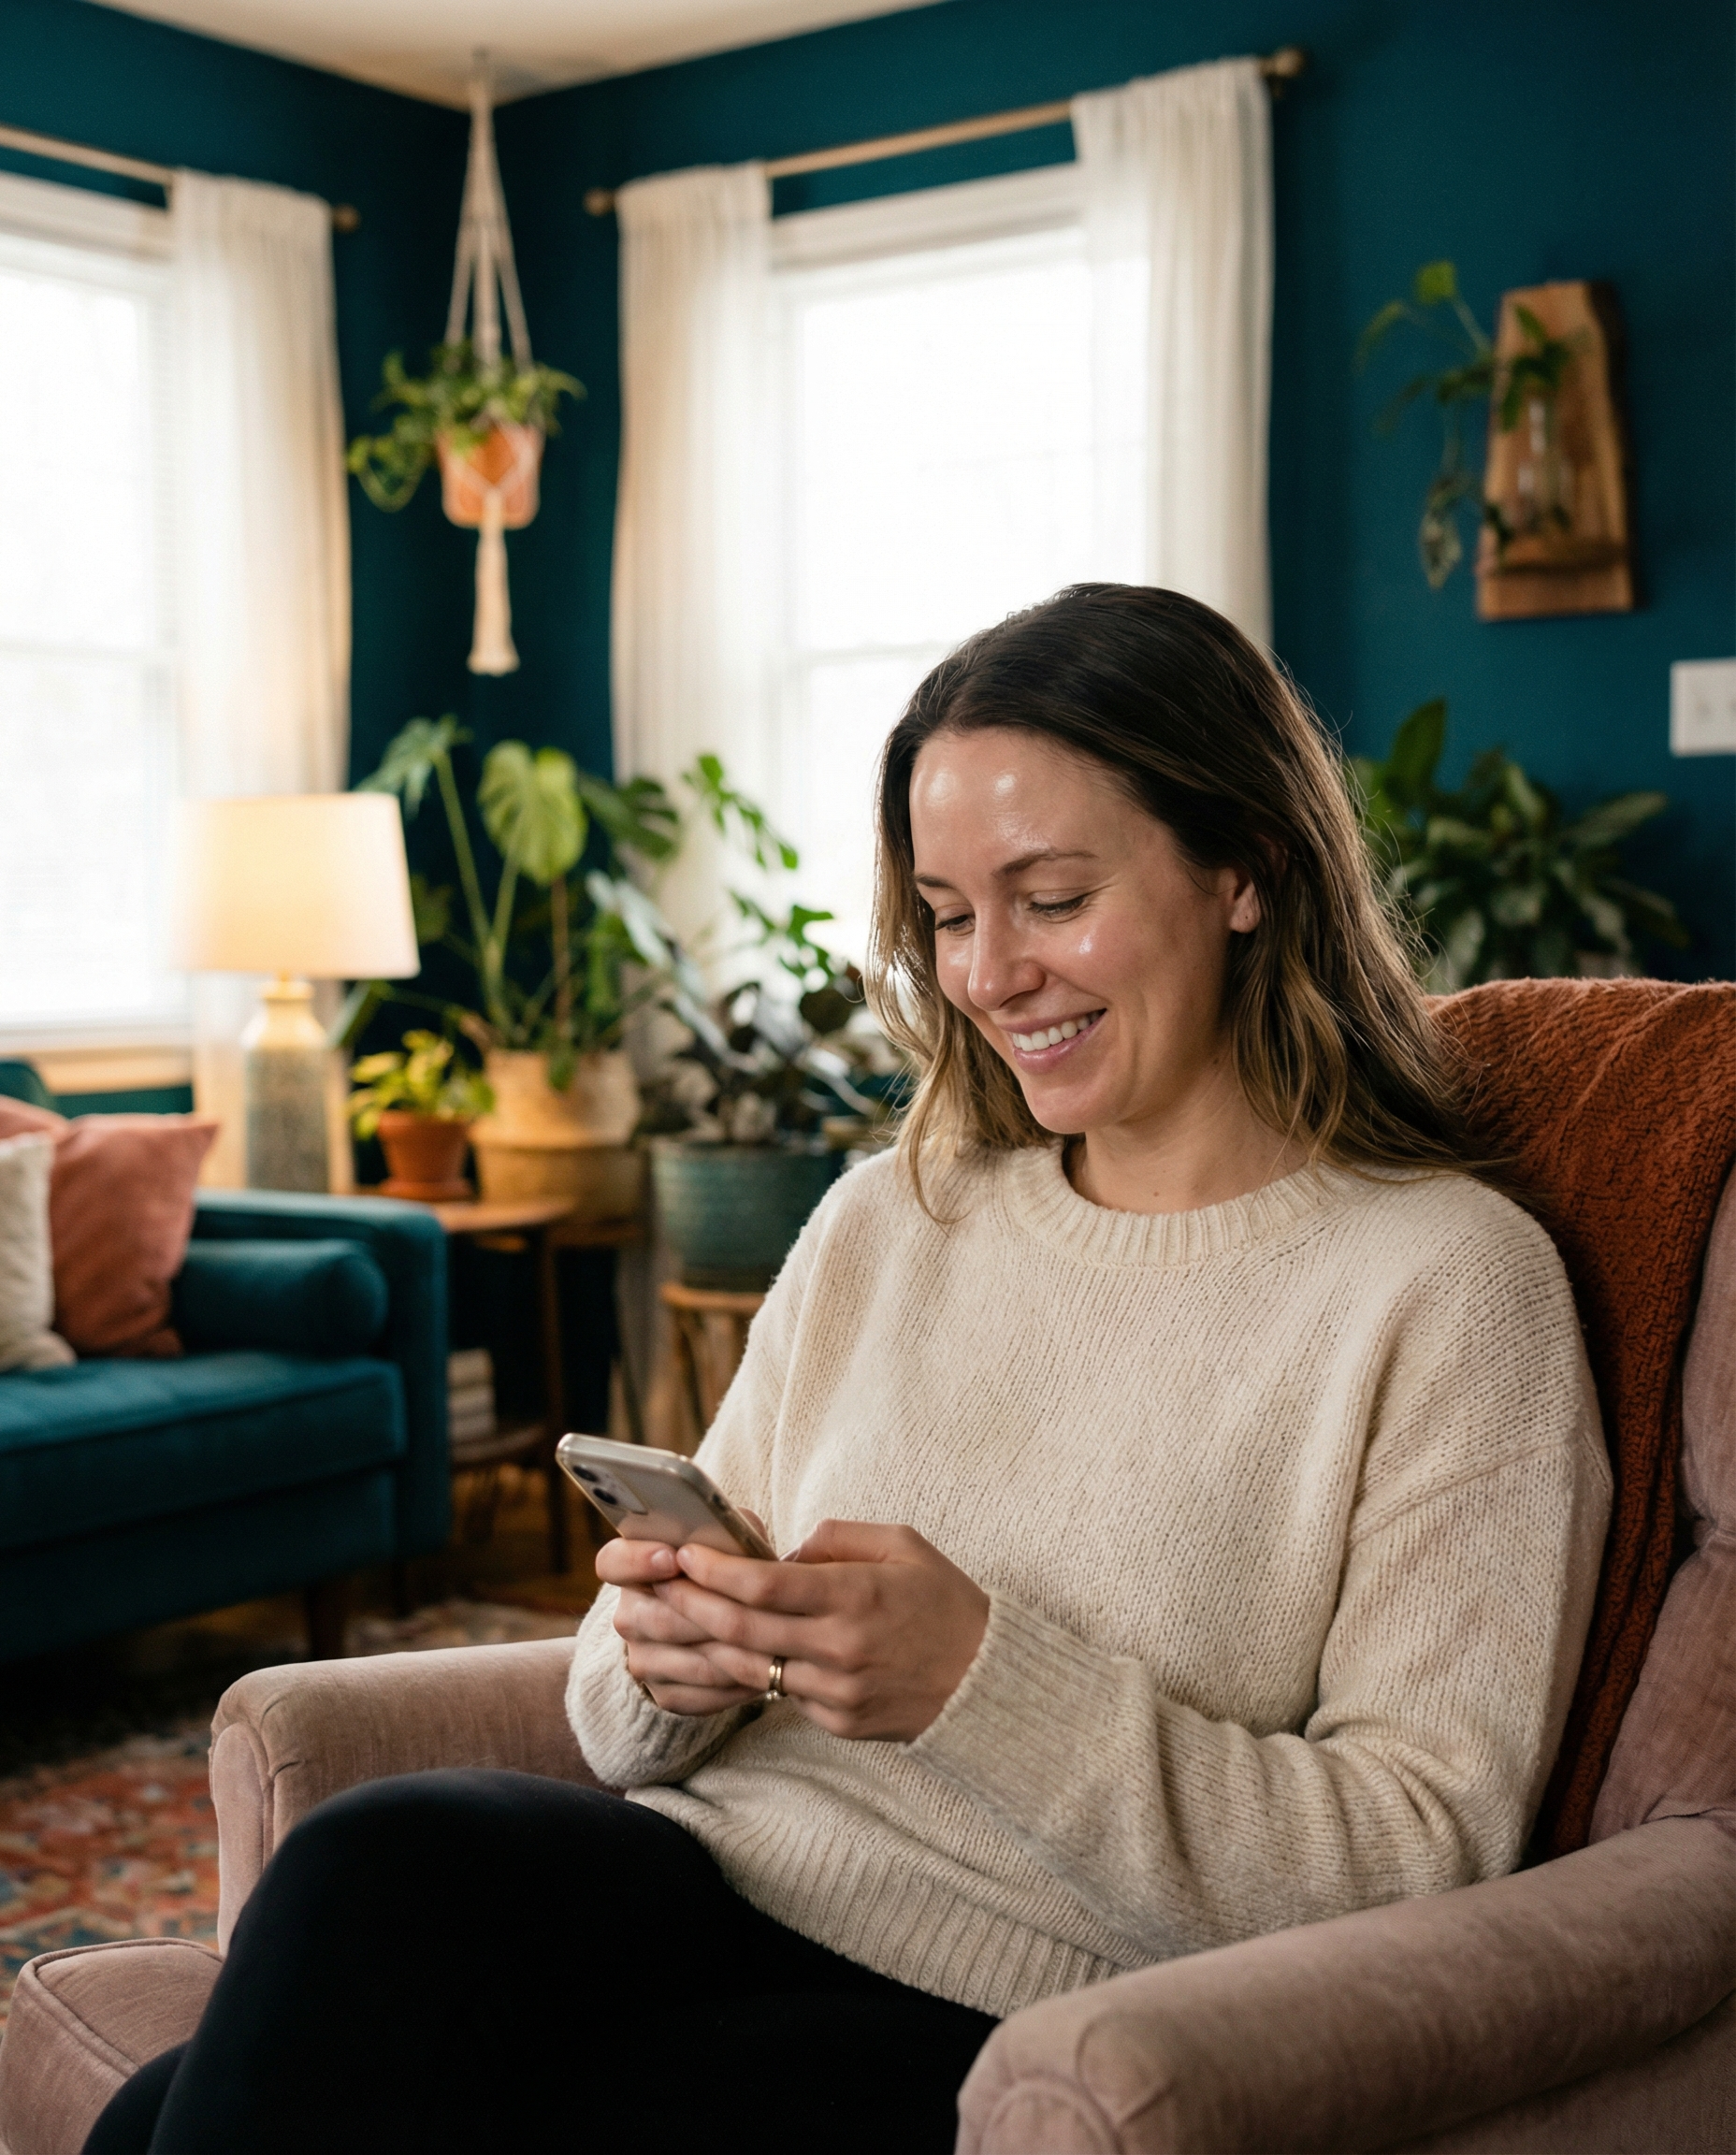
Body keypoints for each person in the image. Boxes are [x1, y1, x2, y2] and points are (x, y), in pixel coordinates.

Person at [86, 586, 1609, 2155]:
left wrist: (982, 1686)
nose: (992, 973)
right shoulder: (900, 1212)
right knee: (375, 1862)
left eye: (1054, 896)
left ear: (1245, 870)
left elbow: (1423, 1856)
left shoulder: (1444, 1286)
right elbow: (615, 1715)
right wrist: (674, 1656)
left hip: (1041, 2014)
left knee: (181, 2116)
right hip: (713, 1873)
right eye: (951, 915)